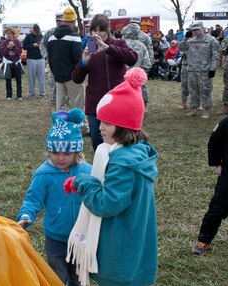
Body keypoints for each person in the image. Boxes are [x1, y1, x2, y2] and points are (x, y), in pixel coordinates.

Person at [64, 67, 158, 286]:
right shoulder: (136, 152)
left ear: (124, 125)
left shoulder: (122, 163)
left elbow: (106, 203)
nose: (100, 128)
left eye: (107, 123)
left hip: (120, 251)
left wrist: (84, 181)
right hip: (133, 241)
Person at [17, 108, 92, 285]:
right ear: (48, 150)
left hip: (82, 237)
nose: (60, 158)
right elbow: (32, 199)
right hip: (55, 238)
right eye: (55, 152)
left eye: (67, 153)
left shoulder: (88, 172)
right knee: (58, 277)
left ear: (77, 152)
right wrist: (26, 215)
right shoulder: (43, 175)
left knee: (79, 277)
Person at [71, 13, 137, 151]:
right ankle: (101, 169)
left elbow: (132, 58)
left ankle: (117, 169)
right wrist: (83, 62)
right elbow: (77, 79)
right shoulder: (89, 49)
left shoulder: (118, 44)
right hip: (95, 105)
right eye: (94, 30)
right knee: (98, 142)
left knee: (119, 141)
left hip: (117, 102)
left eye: (101, 30)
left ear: (108, 30)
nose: (98, 34)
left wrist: (107, 48)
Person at [192, 115, 228, 255]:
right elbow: (214, 141)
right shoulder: (225, 123)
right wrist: (216, 163)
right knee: (217, 207)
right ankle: (204, 240)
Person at [179, 22, 220, 119]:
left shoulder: (211, 40)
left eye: (197, 29)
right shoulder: (191, 41)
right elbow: (181, 48)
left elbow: (215, 55)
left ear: (203, 28)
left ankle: (206, 111)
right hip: (192, 70)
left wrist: (213, 69)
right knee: (193, 90)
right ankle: (194, 109)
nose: (195, 31)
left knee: (205, 90)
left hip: (204, 71)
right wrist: (185, 38)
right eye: (193, 30)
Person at [47, 7, 84, 111]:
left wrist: (56, 73)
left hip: (58, 77)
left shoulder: (51, 38)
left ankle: (62, 126)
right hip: (73, 78)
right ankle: (82, 128)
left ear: (63, 21)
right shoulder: (74, 37)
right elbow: (78, 59)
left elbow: (50, 60)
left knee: (60, 109)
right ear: (74, 21)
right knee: (78, 108)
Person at [122, 23, 152, 107]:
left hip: (123, 73)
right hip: (138, 73)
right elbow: (146, 62)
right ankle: (143, 106)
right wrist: (144, 71)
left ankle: (125, 105)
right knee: (141, 88)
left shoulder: (122, 43)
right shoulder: (141, 45)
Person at [40, 13, 64, 106]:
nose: (59, 22)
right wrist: (46, 56)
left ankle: (64, 106)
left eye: (61, 20)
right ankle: (54, 105)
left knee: (65, 85)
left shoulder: (69, 31)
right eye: (57, 21)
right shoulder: (50, 32)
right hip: (53, 63)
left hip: (65, 63)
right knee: (54, 85)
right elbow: (42, 44)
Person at [0, 28, 24, 100]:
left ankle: (19, 95)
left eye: (10, 34)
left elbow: (19, 52)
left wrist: (13, 46)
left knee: (18, 80)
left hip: (16, 63)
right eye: (7, 34)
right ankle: (9, 95)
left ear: (13, 34)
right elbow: (3, 53)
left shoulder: (17, 42)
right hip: (8, 64)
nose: (8, 35)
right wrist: (8, 47)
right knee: (8, 80)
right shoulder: (4, 42)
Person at [23, 24, 45, 99]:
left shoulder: (41, 36)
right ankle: (32, 93)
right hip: (31, 59)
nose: (37, 32)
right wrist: (33, 45)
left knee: (41, 77)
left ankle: (42, 93)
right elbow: (24, 47)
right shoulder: (28, 36)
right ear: (33, 30)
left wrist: (41, 45)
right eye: (36, 31)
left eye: (38, 31)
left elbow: (44, 46)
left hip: (41, 58)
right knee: (31, 77)